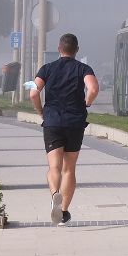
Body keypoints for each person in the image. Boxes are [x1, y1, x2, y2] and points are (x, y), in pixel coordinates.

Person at [31, 32, 98, 225]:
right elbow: (93, 89)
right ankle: (64, 212)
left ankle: (54, 194)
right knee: (69, 168)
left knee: (54, 167)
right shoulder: (83, 68)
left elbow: (33, 92)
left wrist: (41, 112)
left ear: (59, 49)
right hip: (75, 122)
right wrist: (87, 103)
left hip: (52, 121)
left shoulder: (47, 69)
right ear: (76, 50)